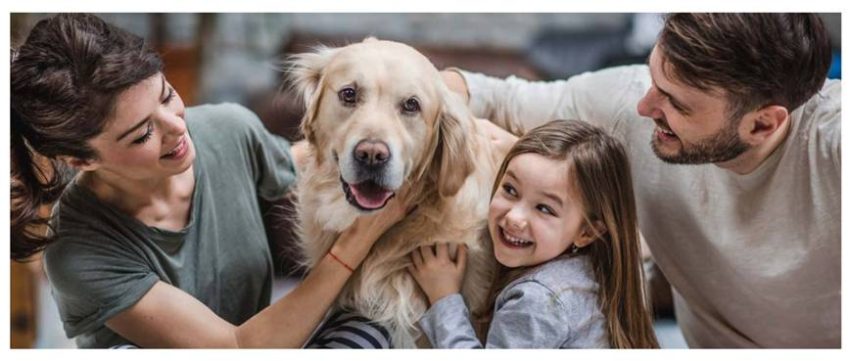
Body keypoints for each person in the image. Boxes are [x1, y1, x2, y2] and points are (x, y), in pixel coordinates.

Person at [440, 13, 839, 347]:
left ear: (763, 123)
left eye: (677, 104)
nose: (644, 107)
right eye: (654, 81)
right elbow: (485, 94)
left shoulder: (831, 144)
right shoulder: (632, 103)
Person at [10, 13, 408, 348]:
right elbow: (237, 347)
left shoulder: (226, 129)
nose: (177, 128)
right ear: (80, 159)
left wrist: (456, 90)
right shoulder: (79, 254)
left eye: (166, 96)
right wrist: (356, 241)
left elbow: (307, 159)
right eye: (142, 134)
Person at [408, 120, 659, 348]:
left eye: (544, 208)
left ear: (587, 232)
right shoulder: (597, 270)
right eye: (510, 189)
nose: (514, 218)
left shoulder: (537, 302)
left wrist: (444, 298)